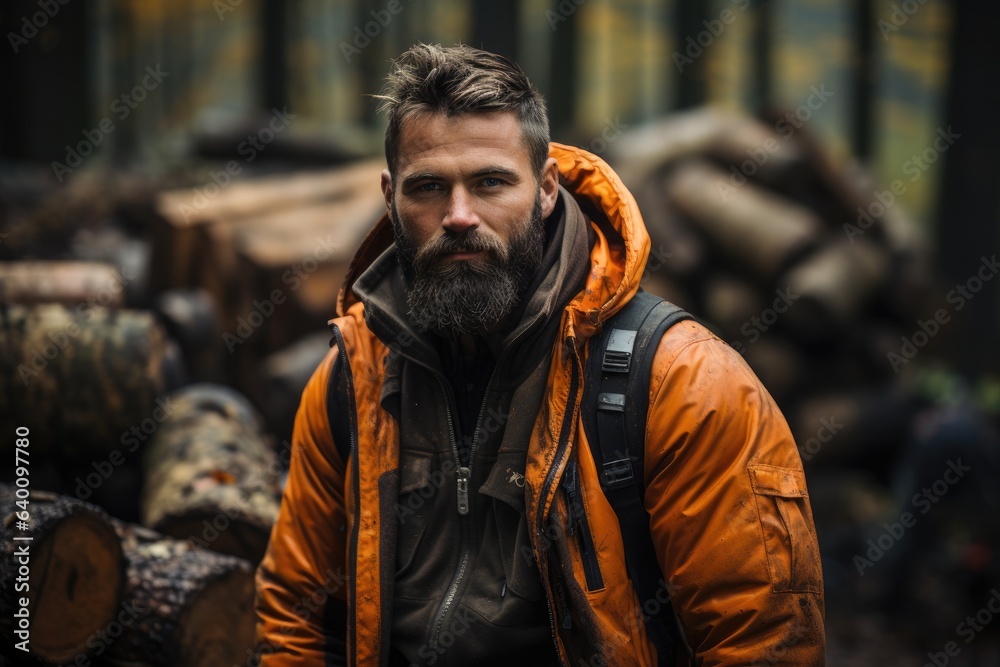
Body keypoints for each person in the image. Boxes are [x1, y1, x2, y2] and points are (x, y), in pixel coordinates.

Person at [254, 43, 826, 666]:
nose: (459, 216)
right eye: (428, 188)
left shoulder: (682, 385)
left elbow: (762, 645)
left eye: (491, 182)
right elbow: (297, 617)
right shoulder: (351, 379)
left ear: (548, 188)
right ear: (390, 197)